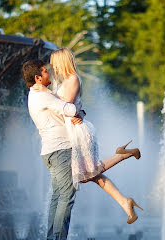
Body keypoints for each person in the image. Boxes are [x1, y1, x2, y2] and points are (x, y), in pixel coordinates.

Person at [50, 48, 143, 224]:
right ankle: (125, 202)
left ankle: (124, 154)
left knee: (88, 173)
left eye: (55, 63)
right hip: (73, 131)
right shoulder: (66, 82)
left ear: (62, 62)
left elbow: (66, 108)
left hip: (79, 133)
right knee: (91, 175)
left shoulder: (72, 79)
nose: (53, 67)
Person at [24, 59, 82, 240]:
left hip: (51, 151)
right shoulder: (42, 97)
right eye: (45, 72)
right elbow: (70, 109)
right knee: (66, 196)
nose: (49, 73)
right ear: (37, 78)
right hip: (60, 150)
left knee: (58, 197)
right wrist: (80, 111)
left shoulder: (36, 95)